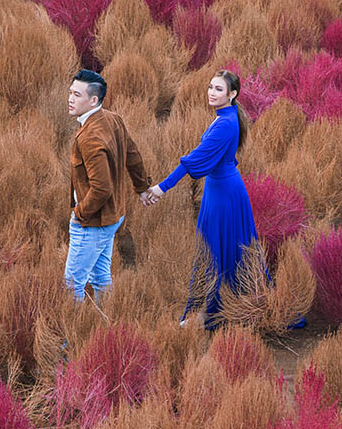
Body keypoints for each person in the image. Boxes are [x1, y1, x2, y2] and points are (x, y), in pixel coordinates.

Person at [146, 69, 259, 328]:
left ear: (232, 94)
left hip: (224, 195)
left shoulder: (226, 123)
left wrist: (161, 188)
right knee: (222, 248)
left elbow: (193, 160)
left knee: (213, 250)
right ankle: (224, 305)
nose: (211, 92)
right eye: (210, 87)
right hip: (221, 189)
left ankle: (209, 311)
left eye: (218, 89)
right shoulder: (226, 117)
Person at [66, 69, 151, 301]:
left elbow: (101, 188)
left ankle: (71, 337)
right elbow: (133, 155)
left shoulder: (90, 136)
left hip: (93, 221)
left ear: (94, 100)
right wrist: (142, 188)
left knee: (72, 283)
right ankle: (104, 327)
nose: (70, 99)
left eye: (77, 95)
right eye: (71, 92)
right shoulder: (113, 119)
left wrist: (79, 213)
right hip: (114, 215)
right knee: (101, 277)